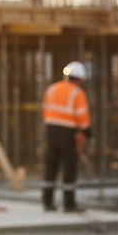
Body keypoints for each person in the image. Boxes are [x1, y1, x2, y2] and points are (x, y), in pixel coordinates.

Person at [40, 61, 92, 212]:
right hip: (67, 133)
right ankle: (69, 204)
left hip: (51, 131)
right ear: (80, 79)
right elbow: (82, 116)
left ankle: (47, 202)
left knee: (51, 165)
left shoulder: (51, 88)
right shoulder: (77, 92)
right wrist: (87, 133)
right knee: (69, 167)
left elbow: (45, 111)